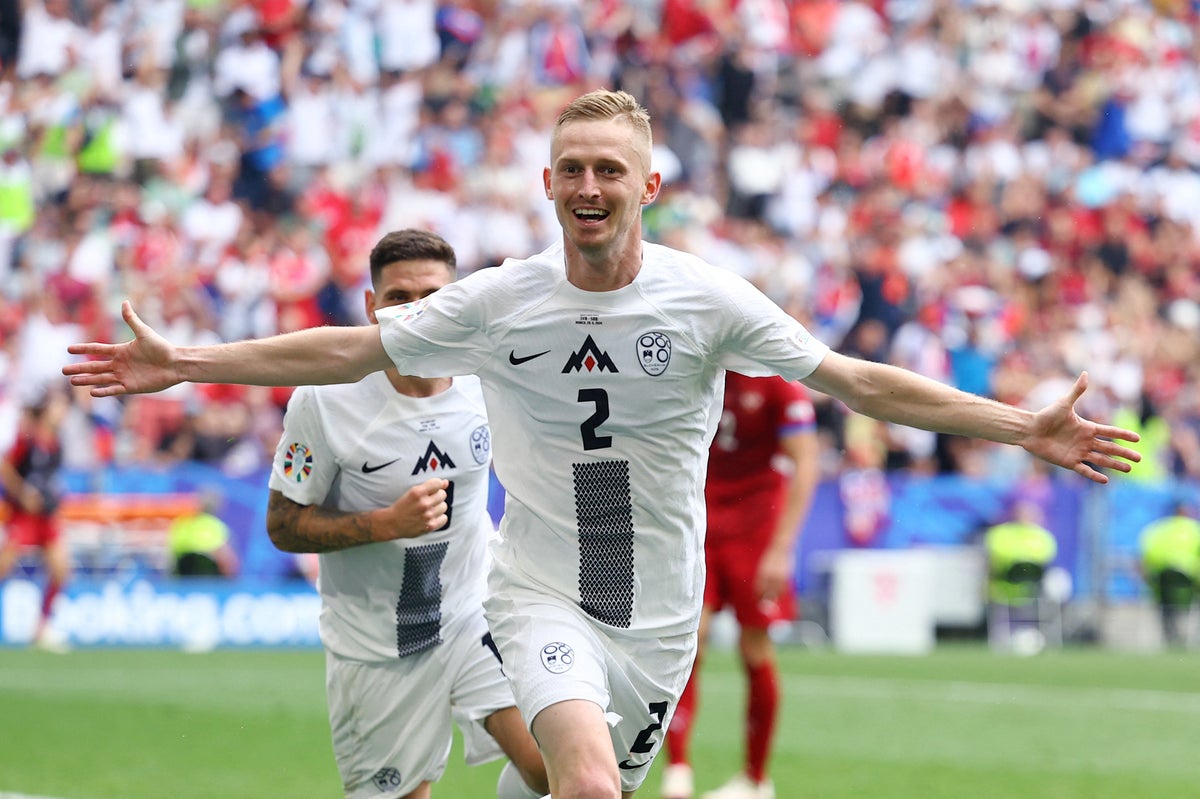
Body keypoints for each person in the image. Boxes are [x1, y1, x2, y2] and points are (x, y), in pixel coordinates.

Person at [64, 89, 1142, 799]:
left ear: (648, 187)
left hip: (661, 619)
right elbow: (349, 348)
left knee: (561, 792)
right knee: (584, 785)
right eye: (571, 168)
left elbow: (855, 380)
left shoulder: (709, 300)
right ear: (547, 185)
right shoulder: (497, 303)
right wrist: (190, 361)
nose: (589, 187)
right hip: (539, 596)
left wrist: (1020, 427)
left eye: (609, 171)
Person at [264, 228, 548, 799]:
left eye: (433, 294)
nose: (418, 312)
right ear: (372, 307)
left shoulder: (488, 376)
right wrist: (382, 525)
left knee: (564, 769)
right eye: (398, 298)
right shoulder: (327, 397)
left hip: (474, 614)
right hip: (376, 647)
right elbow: (282, 525)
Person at [662, 374, 819, 799]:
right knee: (690, 639)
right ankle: (677, 766)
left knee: (754, 646)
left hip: (757, 524)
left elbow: (806, 458)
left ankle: (755, 778)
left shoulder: (776, 381)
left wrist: (782, 547)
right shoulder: (695, 363)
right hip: (698, 521)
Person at [0, 386, 72, 652]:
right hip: (23, 514)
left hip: (46, 515)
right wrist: (22, 493)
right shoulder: (27, 438)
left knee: (61, 569)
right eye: (59, 406)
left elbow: (52, 479)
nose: (63, 412)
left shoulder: (57, 442)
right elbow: (5, 466)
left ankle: (42, 628)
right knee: (4, 566)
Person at [982, 500, 1058, 653]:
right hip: (1009, 586)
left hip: (1027, 587)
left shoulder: (1040, 536)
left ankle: (1046, 632)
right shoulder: (1002, 534)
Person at [1137, 501, 1200, 649]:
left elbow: (1144, 558)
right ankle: (1192, 639)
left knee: (1165, 605)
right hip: (1190, 583)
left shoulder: (1156, 530)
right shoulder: (1194, 530)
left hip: (1163, 582)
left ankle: (1170, 637)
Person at [167, 489, 240, 577]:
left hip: (183, 578)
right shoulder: (216, 526)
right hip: (208, 580)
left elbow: (171, 554)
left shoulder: (182, 524)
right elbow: (225, 557)